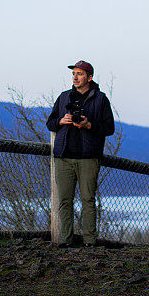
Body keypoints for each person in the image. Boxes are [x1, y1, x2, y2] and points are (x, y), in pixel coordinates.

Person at [46, 60, 115, 247]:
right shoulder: (63, 97)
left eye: (80, 74)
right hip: (64, 157)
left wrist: (89, 124)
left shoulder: (100, 99)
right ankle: (65, 242)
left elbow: (109, 128)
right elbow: (50, 123)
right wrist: (61, 121)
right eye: (74, 74)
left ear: (89, 77)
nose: (75, 77)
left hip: (88, 157)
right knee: (64, 201)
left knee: (88, 200)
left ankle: (90, 242)